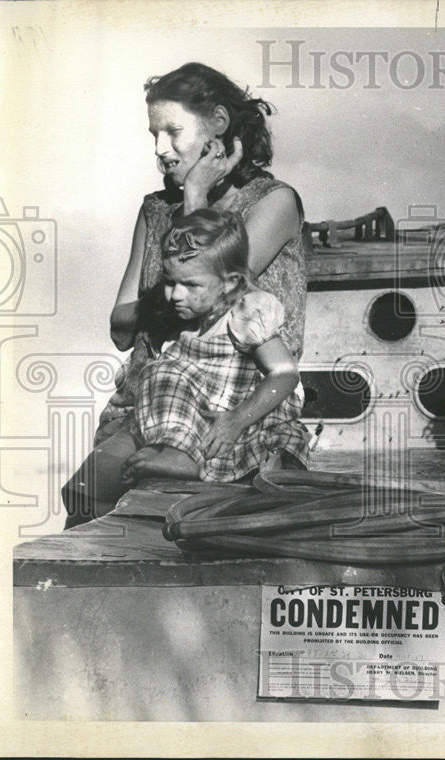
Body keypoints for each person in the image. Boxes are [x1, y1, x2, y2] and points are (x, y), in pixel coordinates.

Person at [63, 62, 307, 527]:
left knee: (180, 516)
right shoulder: (156, 210)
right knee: (82, 494)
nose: (160, 149)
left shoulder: (273, 203)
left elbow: (214, 286)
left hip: (234, 400)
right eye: (154, 135)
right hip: (157, 399)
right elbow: (120, 327)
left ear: (217, 125)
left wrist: (195, 195)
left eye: (173, 131)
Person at [118, 209, 310, 484]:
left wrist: (236, 420)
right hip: (200, 433)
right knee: (158, 372)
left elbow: (285, 374)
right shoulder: (183, 322)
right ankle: (175, 454)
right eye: (170, 282)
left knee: (279, 452)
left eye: (191, 284)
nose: (175, 295)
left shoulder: (244, 313)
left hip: (244, 419)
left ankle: (182, 460)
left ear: (229, 282)